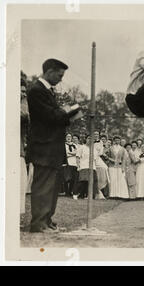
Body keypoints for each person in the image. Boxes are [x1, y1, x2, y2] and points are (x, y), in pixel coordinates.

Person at [26, 59, 81, 232]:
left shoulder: (47, 92)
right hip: (44, 146)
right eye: (59, 75)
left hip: (52, 146)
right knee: (43, 185)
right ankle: (39, 223)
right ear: (49, 71)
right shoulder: (36, 91)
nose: (61, 79)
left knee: (52, 186)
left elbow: (56, 116)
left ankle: (47, 219)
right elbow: (51, 116)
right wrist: (69, 110)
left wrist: (65, 113)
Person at [74, 134, 99, 200]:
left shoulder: (95, 150)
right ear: (86, 139)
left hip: (92, 167)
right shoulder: (82, 147)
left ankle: (90, 196)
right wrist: (78, 166)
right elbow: (77, 157)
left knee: (91, 182)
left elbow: (95, 159)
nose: (90, 140)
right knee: (83, 181)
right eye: (89, 138)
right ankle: (80, 194)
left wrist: (95, 167)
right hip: (83, 166)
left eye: (92, 139)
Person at [20, 79, 29, 215]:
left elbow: (26, 117)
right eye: (21, 91)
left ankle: (18, 215)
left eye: (24, 91)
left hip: (19, 151)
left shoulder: (23, 105)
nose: (23, 94)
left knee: (21, 184)